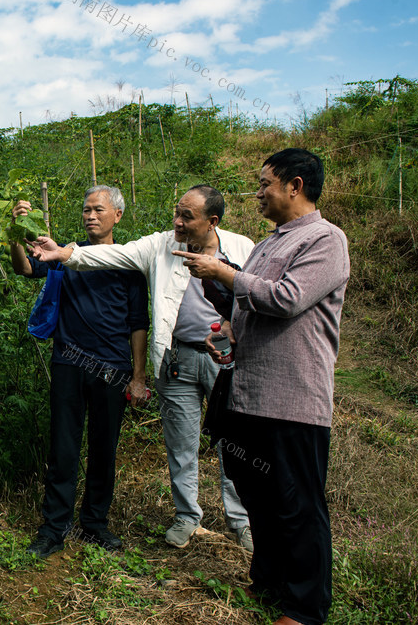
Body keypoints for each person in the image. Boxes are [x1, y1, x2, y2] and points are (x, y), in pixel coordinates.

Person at [27, 185, 255, 552]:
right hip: (172, 358)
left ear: (212, 221)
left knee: (232, 441)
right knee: (179, 446)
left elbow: (258, 295)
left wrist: (136, 375)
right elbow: (104, 257)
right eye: (176, 214)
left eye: (187, 217)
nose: (178, 222)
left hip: (222, 358)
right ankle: (185, 517)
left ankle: (242, 522)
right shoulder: (158, 247)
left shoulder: (243, 247)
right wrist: (62, 252)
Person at [178, 149, 349, 625]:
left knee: (298, 503)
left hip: (292, 397)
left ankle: (304, 608)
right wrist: (226, 321)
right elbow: (247, 302)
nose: (258, 192)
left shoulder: (325, 240)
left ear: (294, 186)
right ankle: (271, 580)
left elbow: (288, 299)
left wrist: (225, 273)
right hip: (247, 392)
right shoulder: (269, 242)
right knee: (256, 490)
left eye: (264, 183)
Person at [12, 185, 149, 559]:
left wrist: (138, 376)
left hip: (112, 368)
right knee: (64, 448)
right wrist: (16, 232)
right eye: (86, 209)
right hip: (69, 362)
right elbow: (26, 268)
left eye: (98, 210)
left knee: (104, 449)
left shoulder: (129, 261)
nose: (90, 216)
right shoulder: (62, 254)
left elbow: (139, 323)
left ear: (117, 216)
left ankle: (94, 524)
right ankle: (54, 528)